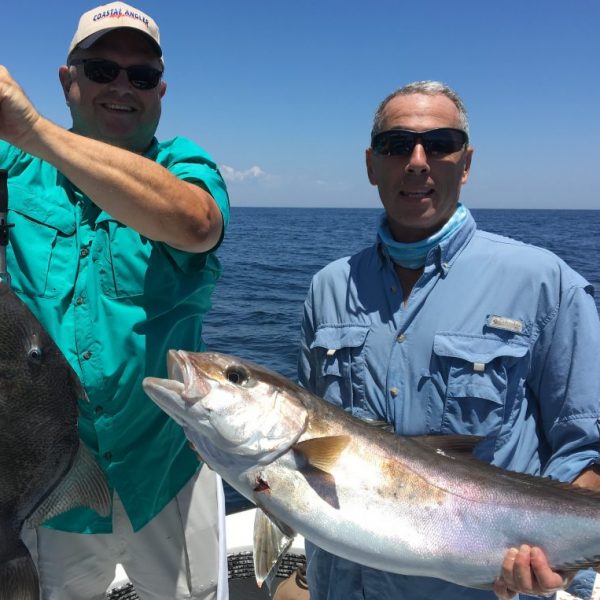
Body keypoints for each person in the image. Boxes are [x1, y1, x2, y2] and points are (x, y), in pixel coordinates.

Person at [297, 80, 600, 600]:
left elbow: (585, 448)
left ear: (466, 162)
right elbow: (311, 439)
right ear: (371, 165)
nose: (418, 161)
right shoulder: (328, 287)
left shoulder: (545, 282)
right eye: (397, 145)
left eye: (440, 144)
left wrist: (561, 558)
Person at [0, 3, 230, 599]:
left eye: (141, 74)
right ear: (67, 79)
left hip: (166, 471)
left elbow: (196, 224)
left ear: (161, 90)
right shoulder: (11, 167)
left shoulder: (184, 166)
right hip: (47, 477)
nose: (122, 86)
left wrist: (35, 131)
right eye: (102, 69)